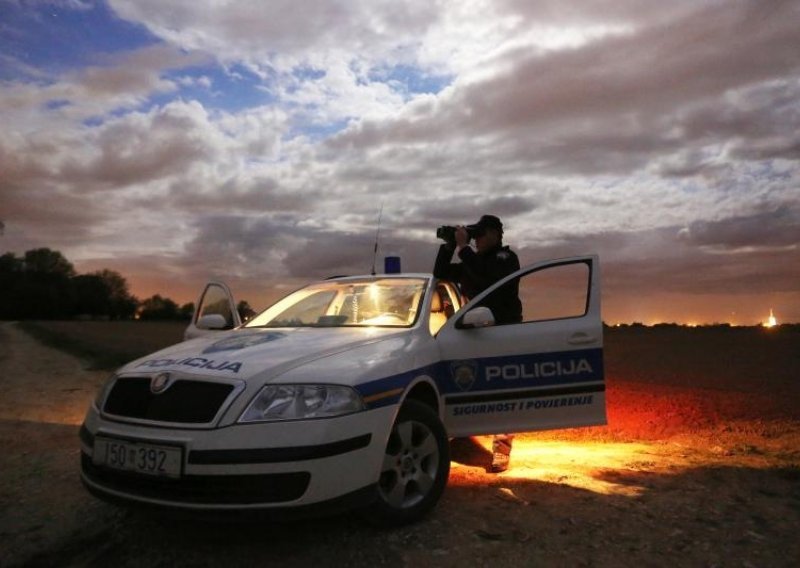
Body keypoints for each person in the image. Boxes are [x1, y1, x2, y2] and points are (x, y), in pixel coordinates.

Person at [433, 214, 521, 473]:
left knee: (501, 390)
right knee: (473, 385)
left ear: (495, 234)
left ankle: (502, 449)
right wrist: (450, 246)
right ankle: (465, 433)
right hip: (473, 332)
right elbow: (440, 273)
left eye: (481, 234)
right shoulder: (474, 261)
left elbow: (490, 281)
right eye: (476, 235)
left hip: (501, 332)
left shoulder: (505, 259)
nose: (477, 239)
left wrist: (464, 248)